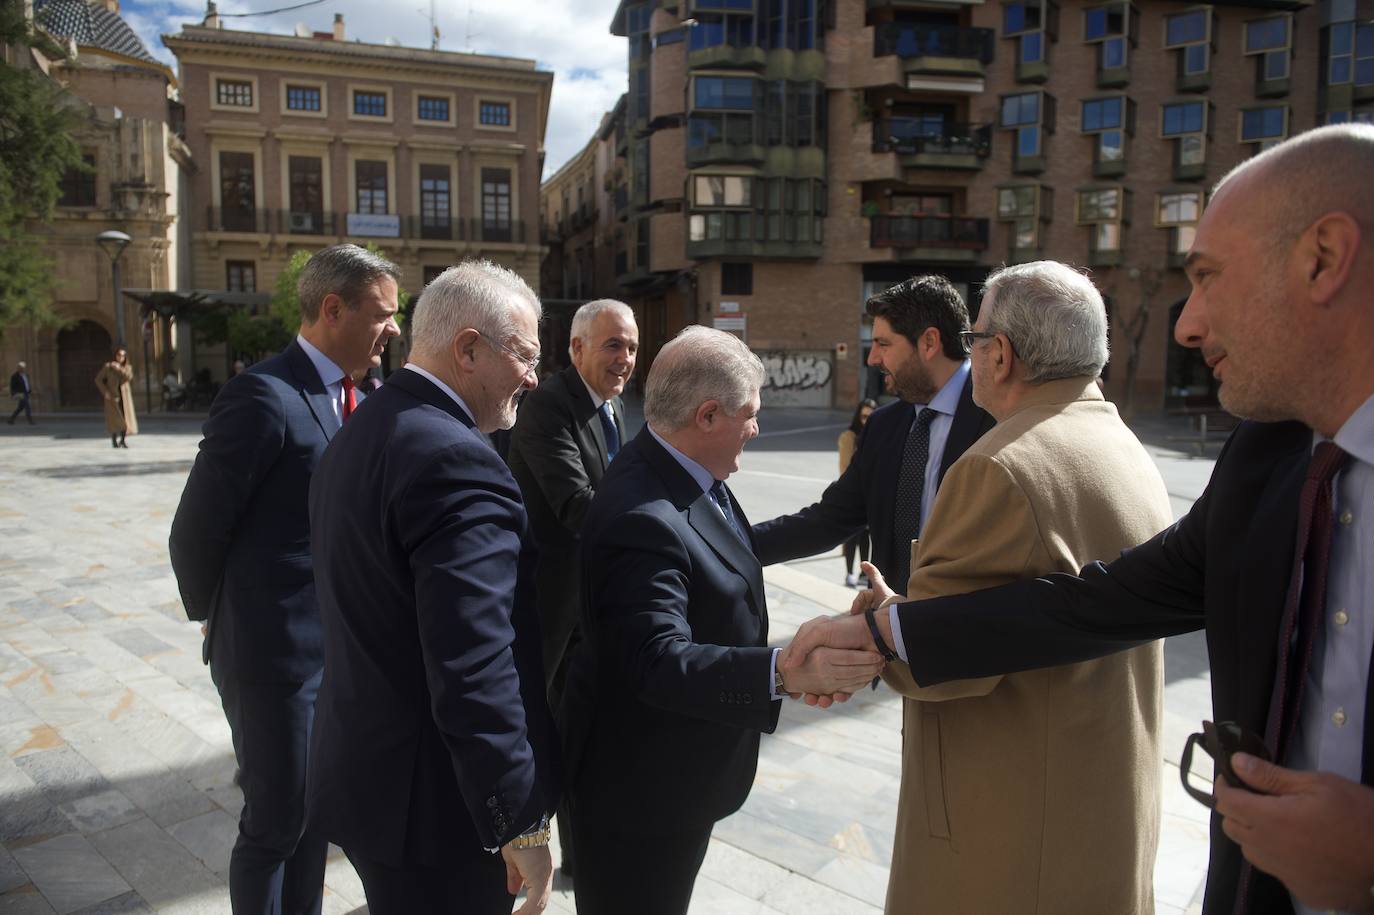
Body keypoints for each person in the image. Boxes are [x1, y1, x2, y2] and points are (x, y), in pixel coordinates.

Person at [783, 123, 1374, 915]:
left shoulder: (996, 462)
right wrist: (893, 628)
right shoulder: (1263, 458)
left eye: (1207, 277)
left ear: (1323, 258)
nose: (1188, 325)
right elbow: (1097, 601)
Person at [860, 261, 1173, 913]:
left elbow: (941, 662)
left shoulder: (997, 467)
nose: (970, 351)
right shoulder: (1123, 447)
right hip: (1099, 826)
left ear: (999, 354)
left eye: (974, 338)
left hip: (1007, 842)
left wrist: (882, 619)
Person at [560, 326, 885, 915]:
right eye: (750, 415)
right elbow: (655, 661)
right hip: (640, 797)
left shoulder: (679, 468)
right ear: (707, 415)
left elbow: (727, 549)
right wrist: (783, 673)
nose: (757, 428)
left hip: (676, 782)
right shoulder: (642, 514)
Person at [306, 261, 557, 915]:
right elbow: (474, 662)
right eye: (525, 355)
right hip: (439, 812)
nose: (533, 377)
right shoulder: (458, 460)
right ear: (468, 348)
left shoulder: (359, 427)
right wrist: (520, 819)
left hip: (368, 781)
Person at [168, 244, 401, 915]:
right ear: (333, 310)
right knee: (276, 822)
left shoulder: (372, 396)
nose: (392, 329)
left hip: (344, 656)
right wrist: (223, 618)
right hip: (275, 658)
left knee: (318, 816)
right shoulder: (264, 395)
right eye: (382, 315)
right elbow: (196, 530)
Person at [752, 275, 994, 597]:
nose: (872, 359)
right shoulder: (882, 426)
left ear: (929, 343)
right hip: (889, 632)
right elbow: (828, 521)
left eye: (883, 344)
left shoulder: (998, 418)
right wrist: (723, 546)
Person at [506, 297, 637, 878]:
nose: (626, 358)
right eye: (613, 345)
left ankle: (579, 856)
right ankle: (514, 851)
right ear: (576, 348)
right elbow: (578, 506)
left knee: (585, 736)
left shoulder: (611, 408)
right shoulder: (548, 409)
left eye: (632, 347)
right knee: (539, 735)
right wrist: (663, 519)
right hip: (550, 610)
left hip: (593, 607)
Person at [838, 398, 876, 587]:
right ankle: (849, 572)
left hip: (870, 494)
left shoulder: (877, 435)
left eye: (870, 417)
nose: (866, 420)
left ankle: (863, 571)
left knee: (865, 537)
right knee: (851, 536)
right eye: (863, 416)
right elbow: (845, 468)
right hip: (853, 493)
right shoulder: (849, 437)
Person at [95, 348, 137, 447]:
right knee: (113, 419)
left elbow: (128, 377)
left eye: (122, 355)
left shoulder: (127, 368)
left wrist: (119, 368)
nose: (120, 357)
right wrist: (105, 392)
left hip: (124, 397)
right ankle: (114, 441)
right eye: (118, 355)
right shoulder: (108, 367)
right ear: (115, 355)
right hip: (112, 397)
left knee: (125, 418)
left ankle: (122, 440)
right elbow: (98, 379)